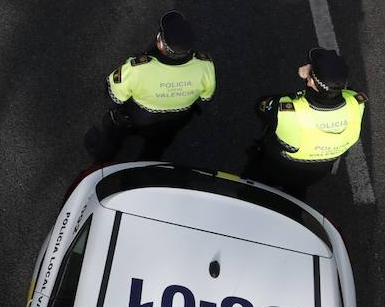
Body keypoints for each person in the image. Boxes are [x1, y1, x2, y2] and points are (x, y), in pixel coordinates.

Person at [84, 11, 216, 162]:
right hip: (174, 120)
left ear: (160, 43)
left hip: (138, 118)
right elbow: (205, 98)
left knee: (112, 125)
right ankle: (146, 167)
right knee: (157, 146)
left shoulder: (137, 69)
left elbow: (112, 96)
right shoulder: (205, 66)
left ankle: (103, 157)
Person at [241, 48, 366, 200]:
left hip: (274, 167)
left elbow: (261, 106)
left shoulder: (288, 113)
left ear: (311, 80)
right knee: (294, 197)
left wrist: (303, 89)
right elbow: (347, 93)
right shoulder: (357, 103)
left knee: (249, 190)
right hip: (314, 174)